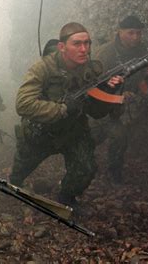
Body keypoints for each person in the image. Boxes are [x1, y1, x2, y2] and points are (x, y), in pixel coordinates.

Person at [9, 22, 124, 207]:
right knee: (18, 174)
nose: (84, 49)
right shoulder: (42, 69)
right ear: (62, 47)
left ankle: (67, 198)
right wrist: (62, 109)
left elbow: (96, 113)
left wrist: (110, 91)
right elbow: (23, 104)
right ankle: (13, 192)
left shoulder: (92, 69)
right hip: (41, 132)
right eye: (77, 44)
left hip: (73, 131)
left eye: (87, 43)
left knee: (86, 169)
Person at [92, 15, 148, 182]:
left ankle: (114, 173)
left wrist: (146, 75)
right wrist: (118, 97)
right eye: (130, 33)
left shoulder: (141, 50)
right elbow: (92, 88)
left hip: (121, 106)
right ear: (119, 32)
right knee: (92, 139)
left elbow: (139, 78)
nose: (135, 37)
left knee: (119, 136)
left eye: (138, 33)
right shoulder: (105, 54)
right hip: (98, 107)